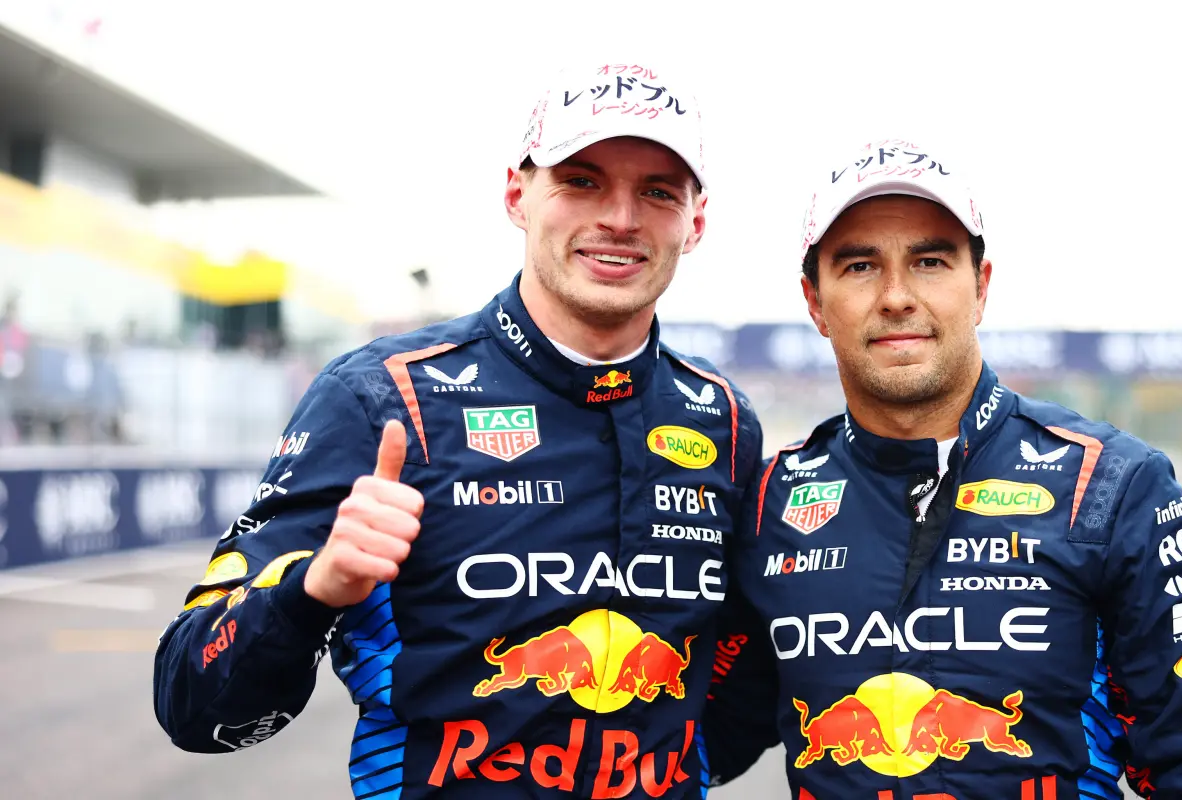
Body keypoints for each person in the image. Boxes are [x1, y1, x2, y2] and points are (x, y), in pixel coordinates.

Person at [154, 63, 763, 799]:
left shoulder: (724, 419)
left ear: (695, 222)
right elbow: (191, 702)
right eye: (582, 180)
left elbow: (734, 696)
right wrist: (313, 591)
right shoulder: (379, 396)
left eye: (658, 192)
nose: (622, 219)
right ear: (517, 195)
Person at [702, 140, 1182, 799]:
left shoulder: (1111, 485)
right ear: (815, 302)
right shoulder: (769, 502)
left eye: (930, 261)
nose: (897, 296)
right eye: (859, 265)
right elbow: (697, 738)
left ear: (981, 287)